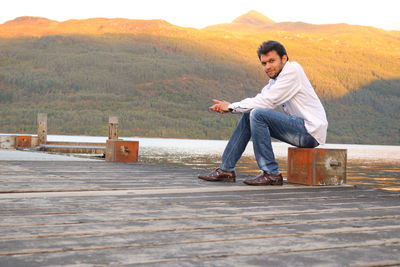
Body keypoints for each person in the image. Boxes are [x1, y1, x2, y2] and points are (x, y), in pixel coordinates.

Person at [198, 40, 328, 186]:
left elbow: (266, 102)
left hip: (310, 131)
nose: (268, 67)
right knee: (250, 114)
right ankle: (226, 170)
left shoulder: (293, 70)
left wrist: (230, 107)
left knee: (258, 114)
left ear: (284, 59)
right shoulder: (276, 80)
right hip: (300, 129)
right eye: (264, 63)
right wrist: (231, 107)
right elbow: (258, 100)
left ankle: (271, 173)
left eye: (272, 61)